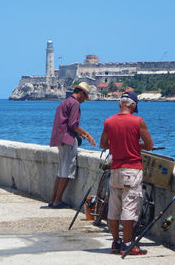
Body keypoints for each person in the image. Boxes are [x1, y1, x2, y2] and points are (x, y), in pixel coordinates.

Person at [100, 91, 154, 255]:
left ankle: (116, 243)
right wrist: (136, 145)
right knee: (129, 208)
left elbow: (103, 144)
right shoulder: (138, 121)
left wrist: (118, 145)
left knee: (114, 208)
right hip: (132, 170)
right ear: (134, 105)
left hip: (115, 169)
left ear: (119, 104)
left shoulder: (108, 122)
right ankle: (128, 244)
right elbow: (150, 145)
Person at [49, 82, 96, 208]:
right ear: (81, 93)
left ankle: (53, 200)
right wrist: (87, 135)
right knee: (67, 171)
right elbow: (73, 125)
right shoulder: (75, 103)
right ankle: (57, 201)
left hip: (60, 139)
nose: (83, 101)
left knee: (60, 172)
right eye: (84, 97)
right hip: (68, 140)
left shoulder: (65, 102)